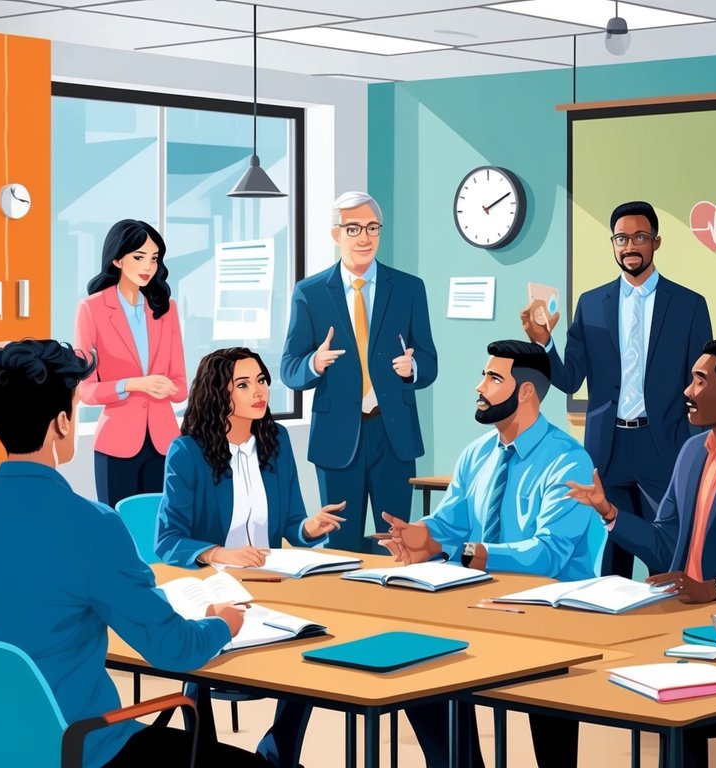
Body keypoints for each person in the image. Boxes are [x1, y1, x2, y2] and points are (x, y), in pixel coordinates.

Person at [0, 340, 268, 768]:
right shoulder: (90, 525)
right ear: (62, 423)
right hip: (77, 747)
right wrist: (221, 624)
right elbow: (172, 649)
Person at [557, 338, 716, 767]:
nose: (687, 392)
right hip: (675, 617)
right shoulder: (692, 453)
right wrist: (609, 510)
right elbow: (663, 541)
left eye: (699, 380)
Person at [381, 339, 597, 767]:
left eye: (493, 378)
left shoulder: (568, 461)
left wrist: (469, 553)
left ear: (526, 393)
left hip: (547, 618)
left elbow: (548, 555)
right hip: (476, 605)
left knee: (551, 735)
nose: (479, 387)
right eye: (483, 375)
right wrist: (421, 536)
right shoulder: (476, 454)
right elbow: (450, 524)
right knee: (416, 675)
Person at [156, 347, 346, 768]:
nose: (259, 391)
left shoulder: (275, 443)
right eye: (244, 384)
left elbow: (292, 523)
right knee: (203, 640)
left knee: (317, 636)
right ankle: (201, 752)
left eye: (261, 380)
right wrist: (222, 553)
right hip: (217, 586)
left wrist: (309, 530)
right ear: (218, 393)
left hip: (273, 584)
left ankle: (278, 752)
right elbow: (168, 540)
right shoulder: (187, 452)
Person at [523, 200, 712, 577]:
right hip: (608, 447)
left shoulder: (689, 305)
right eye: (621, 238)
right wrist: (544, 343)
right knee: (612, 559)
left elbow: (701, 384)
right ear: (613, 243)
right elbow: (569, 379)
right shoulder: (591, 304)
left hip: (666, 445)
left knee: (670, 553)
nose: (630, 246)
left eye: (640, 237)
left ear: (656, 242)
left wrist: (698, 447)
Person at [281, 191, 438, 553]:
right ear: (336, 234)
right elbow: (290, 369)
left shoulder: (410, 289)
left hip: (393, 434)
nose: (364, 237)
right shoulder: (311, 292)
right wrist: (314, 364)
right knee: (341, 545)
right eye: (353, 228)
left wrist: (412, 367)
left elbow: (429, 361)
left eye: (372, 228)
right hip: (337, 439)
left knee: (395, 542)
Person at [74, 219, 186, 509]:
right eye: (139, 257)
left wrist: (167, 388)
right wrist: (133, 384)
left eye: (153, 258)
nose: (148, 266)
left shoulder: (166, 309)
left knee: (160, 530)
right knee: (119, 530)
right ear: (117, 259)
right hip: (116, 443)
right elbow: (85, 390)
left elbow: (181, 387)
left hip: (164, 442)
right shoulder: (92, 309)